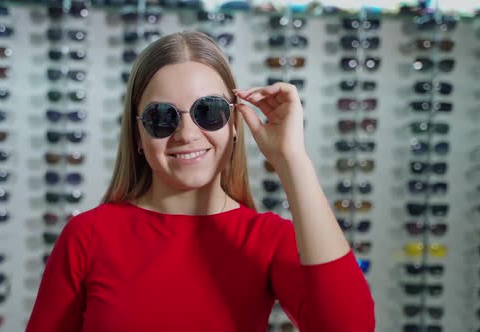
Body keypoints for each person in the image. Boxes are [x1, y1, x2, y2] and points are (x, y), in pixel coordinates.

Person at [25, 31, 374, 332]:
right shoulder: (88, 236)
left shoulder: (267, 240)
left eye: (209, 111)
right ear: (137, 134)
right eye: (161, 117)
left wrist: (292, 159)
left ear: (235, 124)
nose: (187, 134)